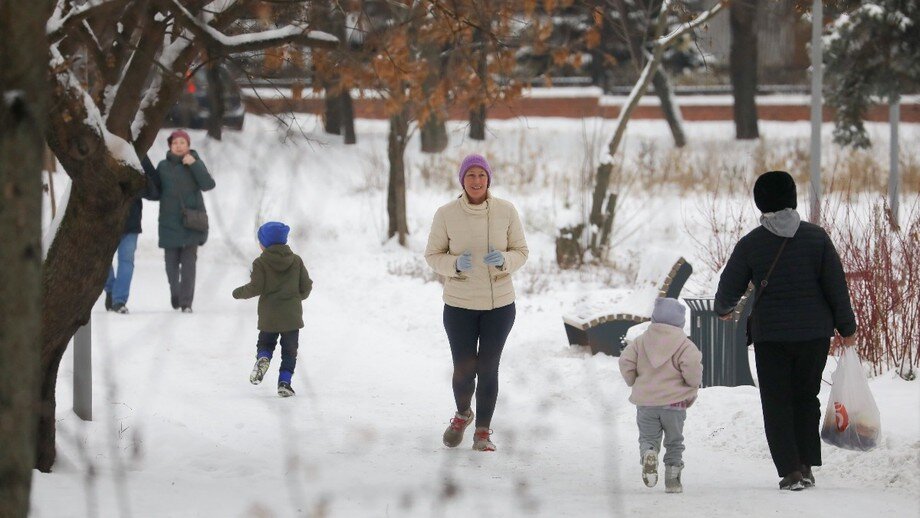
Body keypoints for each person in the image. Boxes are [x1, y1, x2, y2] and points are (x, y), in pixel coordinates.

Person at [715, 170, 857, 491]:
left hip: (772, 337)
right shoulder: (817, 238)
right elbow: (836, 287)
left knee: (777, 401)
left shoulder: (751, 243)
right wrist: (846, 328)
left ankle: (790, 471)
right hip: (814, 335)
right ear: (793, 198)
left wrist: (724, 310)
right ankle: (806, 465)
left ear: (760, 202)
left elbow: (728, 288)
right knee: (806, 398)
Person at [424, 153, 529, 452]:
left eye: (481, 175)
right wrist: (455, 263)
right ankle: (462, 414)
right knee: (463, 369)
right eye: (470, 175)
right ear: (462, 180)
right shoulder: (445, 214)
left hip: (499, 305)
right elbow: (432, 256)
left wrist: (505, 260)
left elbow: (521, 250)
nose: (476, 181)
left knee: (488, 367)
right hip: (459, 305)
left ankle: (482, 431)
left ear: (489, 179)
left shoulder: (506, 211)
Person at [619, 297, 702, 494]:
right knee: (674, 441)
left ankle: (649, 453)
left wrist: (633, 380)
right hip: (674, 404)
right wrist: (692, 384)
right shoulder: (685, 345)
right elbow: (692, 367)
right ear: (680, 321)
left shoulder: (640, 342)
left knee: (648, 438)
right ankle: (673, 479)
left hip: (646, 403)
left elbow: (625, 361)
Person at [232, 222, 313, 398]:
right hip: (291, 318)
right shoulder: (296, 261)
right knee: (289, 352)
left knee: (266, 344)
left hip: (269, 317)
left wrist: (238, 293)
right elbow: (306, 286)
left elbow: (255, 287)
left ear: (264, 244)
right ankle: (284, 382)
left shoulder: (260, 263)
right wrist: (297, 297)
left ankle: (264, 358)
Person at [154, 130, 215, 312]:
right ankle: (176, 293)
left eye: (182, 142)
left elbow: (208, 185)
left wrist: (195, 165)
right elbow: (155, 191)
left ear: (188, 145)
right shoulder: (163, 166)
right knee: (171, 267)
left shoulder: (195, 163)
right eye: (175, 143)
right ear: (170, 146)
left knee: (189, 267)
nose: (178, 146)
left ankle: (186, 303)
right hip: (168, 223)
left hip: (191, 223)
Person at [104, 155, 160, 314]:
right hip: (104, 221)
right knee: (102, 260)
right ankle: (110, 289)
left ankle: (119, 300)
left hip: (130, 220)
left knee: (126, 261)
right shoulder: (101, 148)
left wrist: (136, 187)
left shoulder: (137, 153)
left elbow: (155, 189)